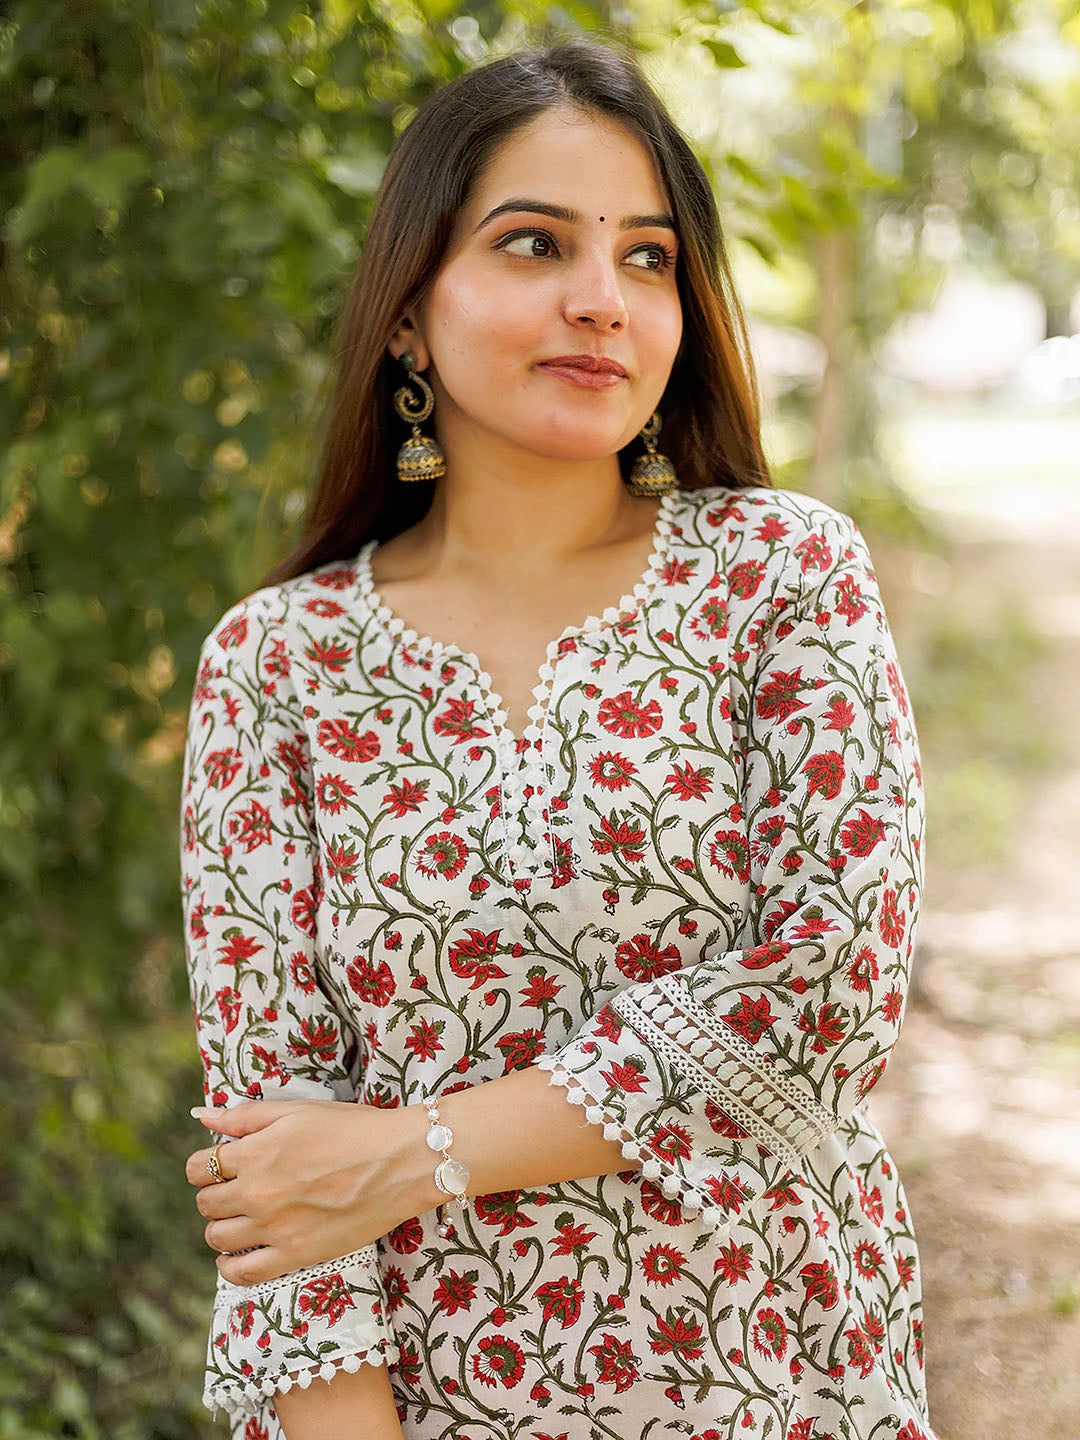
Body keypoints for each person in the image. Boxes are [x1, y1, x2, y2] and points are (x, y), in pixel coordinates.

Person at [179, 34, 938, 1440]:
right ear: (408, 311)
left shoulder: (781, 578)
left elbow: (824, 994)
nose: (603, 301)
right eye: (536, 245)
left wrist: (412, 1154)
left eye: (648, 258)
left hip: (778, 1384)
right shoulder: (278, 667)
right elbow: (275, 1178)